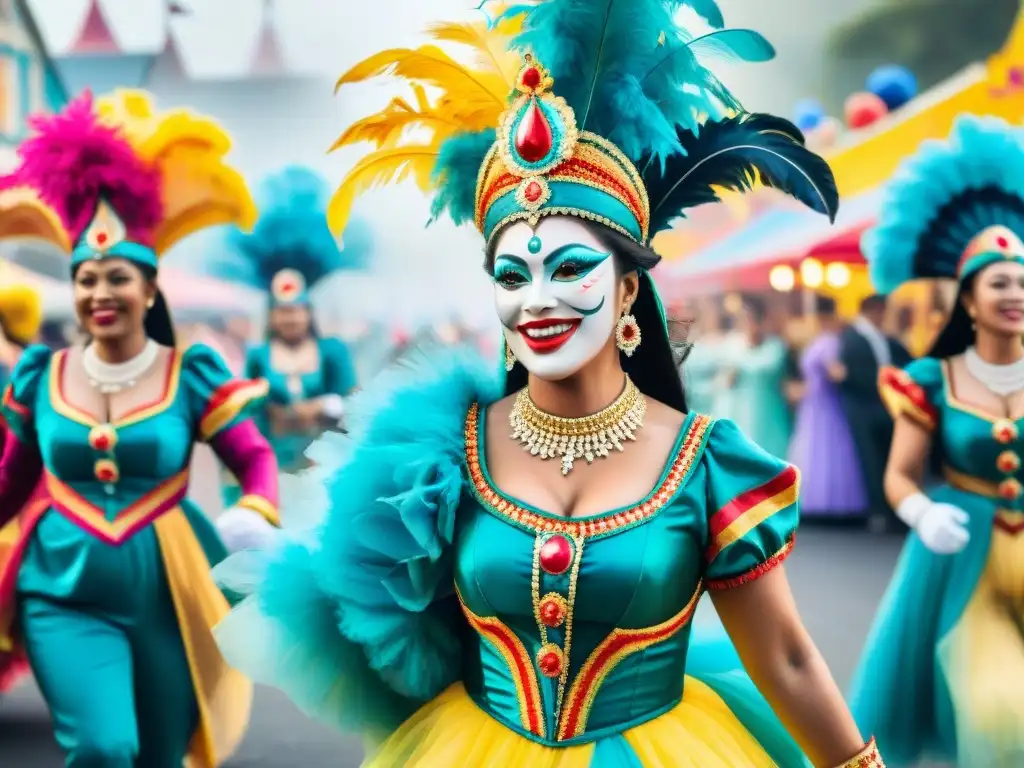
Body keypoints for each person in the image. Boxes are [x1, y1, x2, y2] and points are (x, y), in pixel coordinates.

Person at [213, 2, 885, 766]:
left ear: (629, 292)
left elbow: (787, 657)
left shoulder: (706, 463)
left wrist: (860, 764)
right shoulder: (443, 453)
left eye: (569, 269)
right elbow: (364, 622)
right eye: (512, 275)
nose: (537, 299)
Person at [0, 92, 279, 767]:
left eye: (116, 277)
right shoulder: (41, 374)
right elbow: (11, 481)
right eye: (86, 278)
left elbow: (255, 458)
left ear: (149, 289)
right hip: (59, 588)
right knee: (104, 747)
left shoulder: (192, 374)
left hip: (170, 592)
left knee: (156, 754)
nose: (100, 292)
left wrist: (256, 508)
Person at [849, 115, 1024, 766]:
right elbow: (900, 474)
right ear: (970, 303)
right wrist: (922, 511)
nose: (1017, 294)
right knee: (998, 711)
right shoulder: (931, 379)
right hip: (964, 562)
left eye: (1023, 281)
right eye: (1000, 283)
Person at [208, 167, 364, 505]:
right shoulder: (258, 356)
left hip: (324, 466)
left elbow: (355, 404)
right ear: (272, 315)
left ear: (308, 313)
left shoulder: (332, 352)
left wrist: (329, 406)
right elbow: (247, 415)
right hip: (274, 467)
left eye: (297, 310)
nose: (290, 318)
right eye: (283, 311)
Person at [787, 296, 868, 519]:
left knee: (825, 450)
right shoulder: (820, 340)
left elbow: (837, 372)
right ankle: (816, 500)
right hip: (813, 404)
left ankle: (828, 502)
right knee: (816, 450)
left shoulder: (830, 342)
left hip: (824, 404)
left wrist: (839, 374)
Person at [836, 295, 911, 530]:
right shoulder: (850, 337)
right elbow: (852, 375)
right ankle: (878, 511)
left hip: (884, 407)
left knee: (888, 456)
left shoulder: (883, 337)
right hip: (863, 407)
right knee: (870, 459)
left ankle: (893, 508)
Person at [720, 295, 793, 458]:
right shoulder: (732, 346)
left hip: (770, 410)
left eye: (752, 319)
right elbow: (726, 382)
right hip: (742, 410)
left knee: (772, 452)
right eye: (744, 320)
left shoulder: (775, 347)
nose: (749, 324)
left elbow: (783, 380)